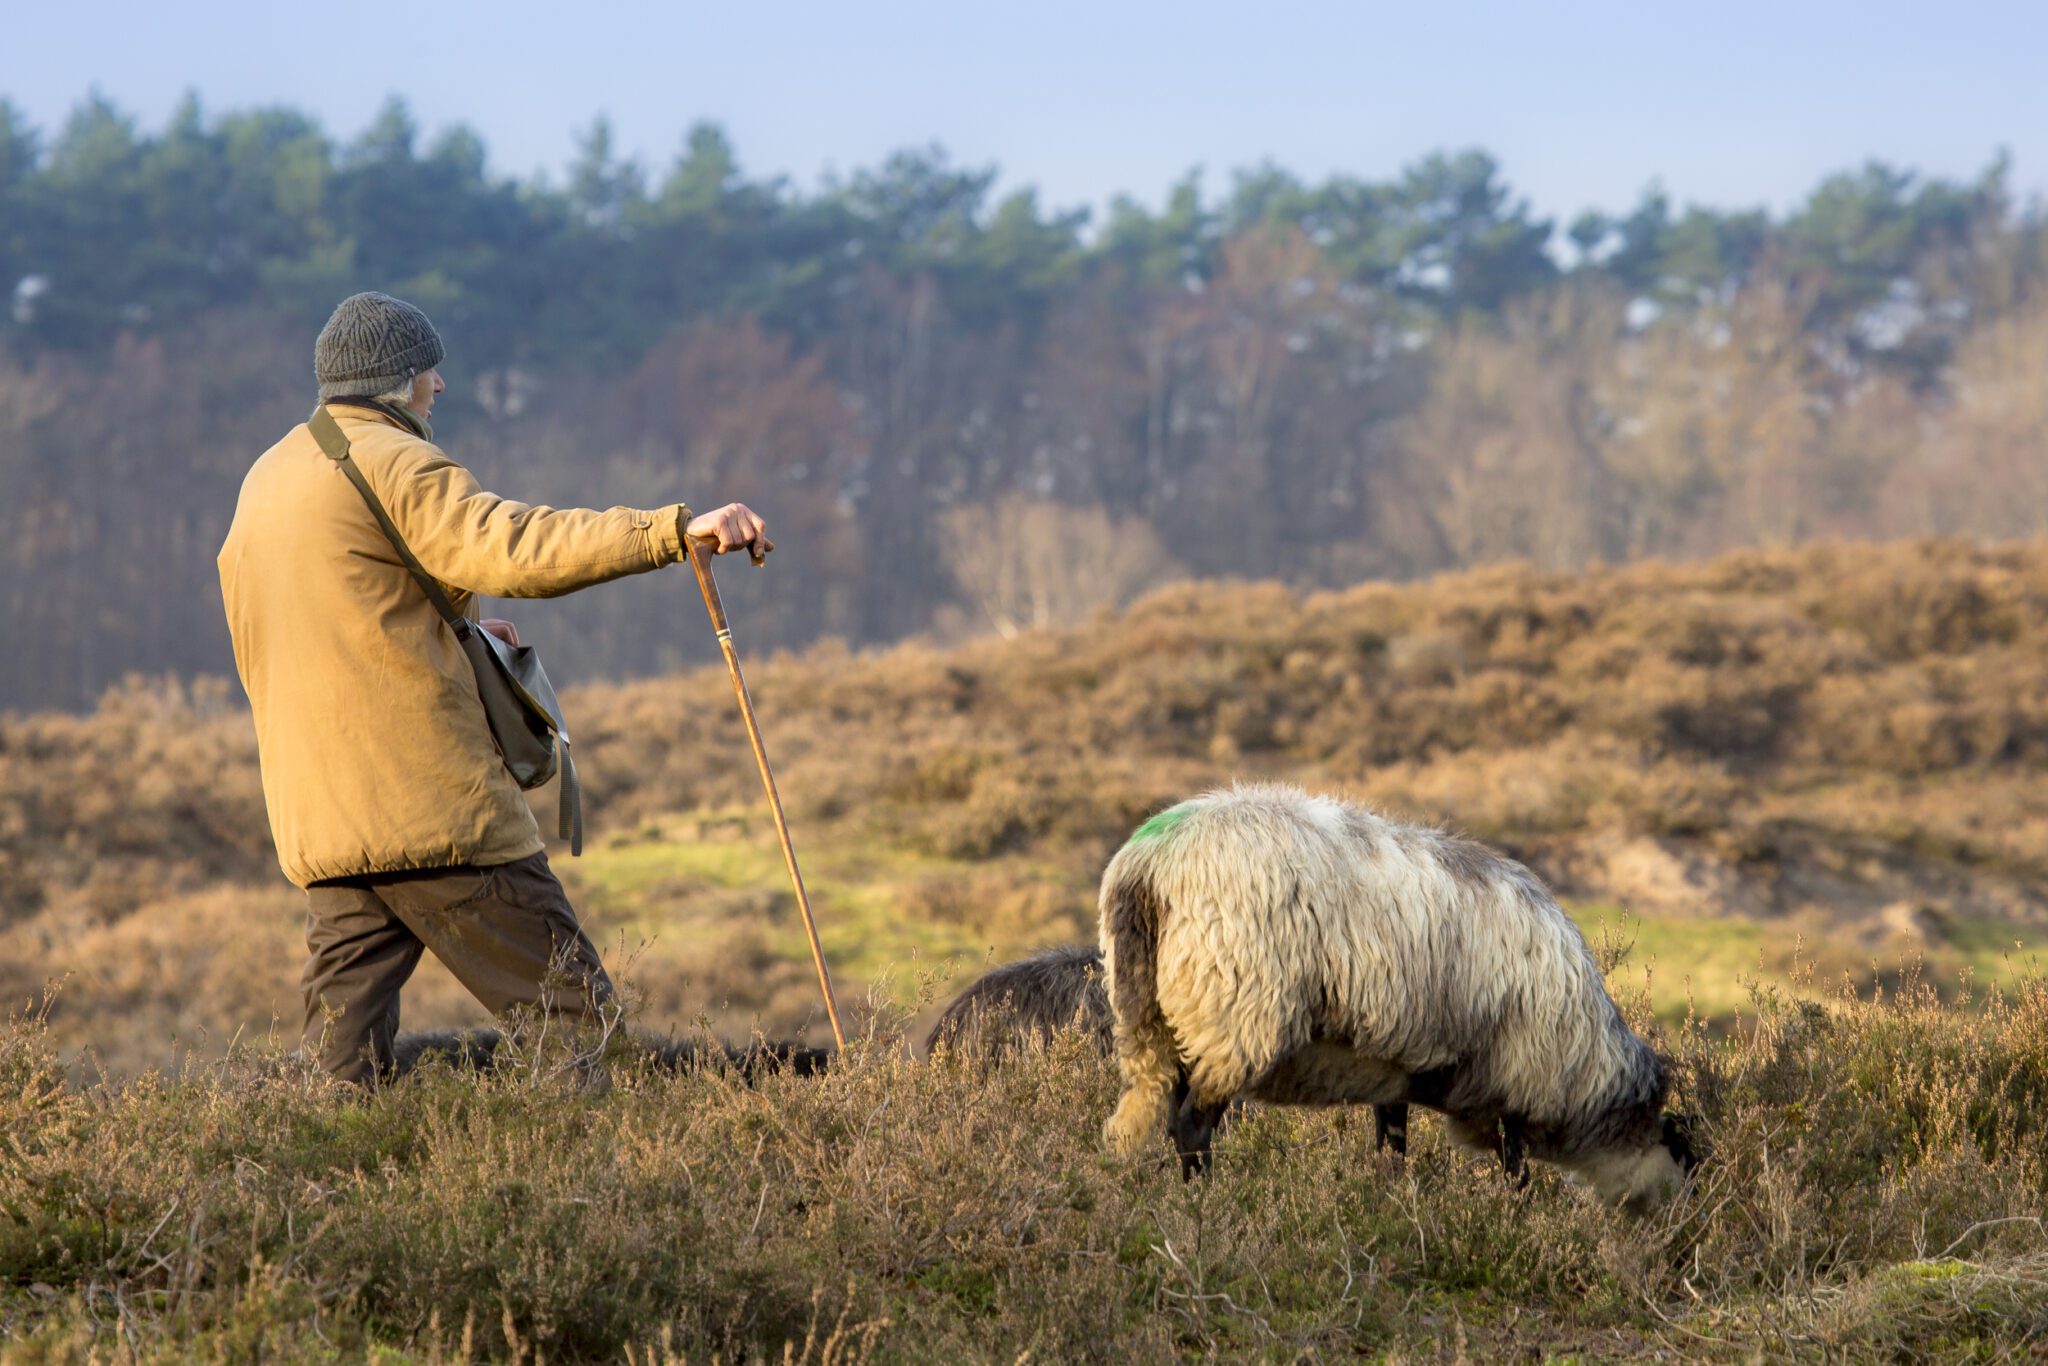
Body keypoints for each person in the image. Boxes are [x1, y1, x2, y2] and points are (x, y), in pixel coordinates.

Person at [218, 291, 771, 1085]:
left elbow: (309, 637)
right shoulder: (395, 461)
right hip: (430, 809)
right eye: (427, 371)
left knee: (336, 1083)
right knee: (581, 1037)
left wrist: (449, 640)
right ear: (396, 381)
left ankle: (313, 1207)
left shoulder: (266, 482)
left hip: (325, 828)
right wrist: (667, 531)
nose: (438, 386)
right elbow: (514, 546)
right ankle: (603, 1206)